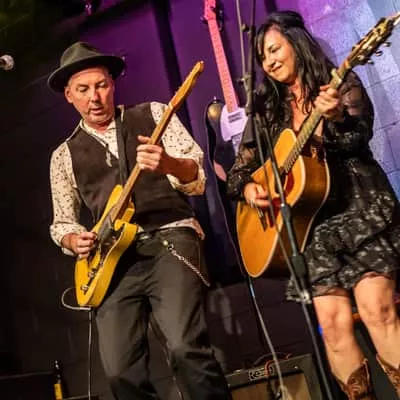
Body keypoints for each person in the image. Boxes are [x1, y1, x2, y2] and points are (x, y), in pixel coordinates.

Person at [227, 10, 400, 400]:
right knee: (333, 329)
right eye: (262, 57)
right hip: (312, 229)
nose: (269, 62)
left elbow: (359, 137)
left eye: (274, 50)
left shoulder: (339, 83)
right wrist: (251, 189)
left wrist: (335, 117)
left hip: (360, 212)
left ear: (296, 43)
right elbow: (239, 173)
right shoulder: (267, 108)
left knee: (376, 309)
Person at [48, 41, 231, 400]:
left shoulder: (155, 113)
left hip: (169, 241)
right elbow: (62, 223)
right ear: (69, 95)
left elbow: (197, 179)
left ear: (113, 84)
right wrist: (74, 240)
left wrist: (168, 164)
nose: (94, 97)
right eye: (83, 90)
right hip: (111, 261)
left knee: (185, 349)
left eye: (101, 85)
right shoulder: (63, 155)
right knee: (120, 371)